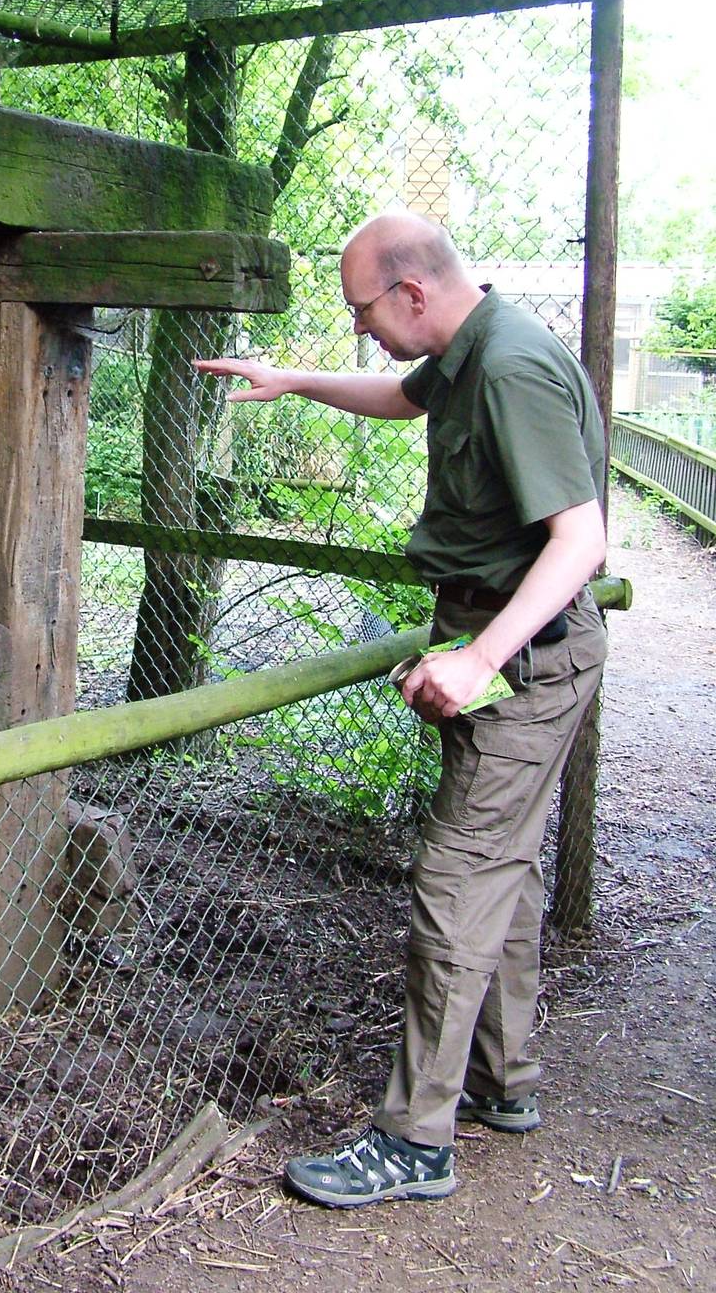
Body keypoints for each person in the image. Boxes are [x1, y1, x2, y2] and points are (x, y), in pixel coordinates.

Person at [195, 210, 608, 1209]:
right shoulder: (464, 352)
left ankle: (414, 1141)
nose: (364, 330)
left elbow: (581, 538)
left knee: (454, 883)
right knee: (494, 870)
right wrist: (291, 380)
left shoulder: (509, 367)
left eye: (363, 310)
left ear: (412, 292)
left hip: (524, 660)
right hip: (499, 647)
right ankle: (502, 1084)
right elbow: (394, 394)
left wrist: (478, 659)